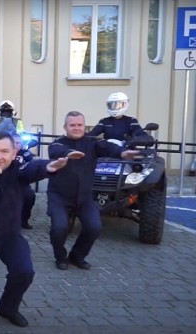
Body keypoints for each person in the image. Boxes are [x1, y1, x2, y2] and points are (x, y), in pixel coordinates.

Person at [0, 132, 70, 328]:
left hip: (8, 234)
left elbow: (32, 168)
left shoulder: (18, 169)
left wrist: (48, 167)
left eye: (4, 151)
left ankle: (8, 307)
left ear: (14, 151)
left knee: (24, 271)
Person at [48, 111, 140, 271]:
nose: (76, 128)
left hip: (84, 197)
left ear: (84, 126)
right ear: (65, 127)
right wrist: (68, 154)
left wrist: (122, 152)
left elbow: (107, 146)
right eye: (72, 125)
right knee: (59, 228)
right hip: (59, 196)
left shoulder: (92, 142)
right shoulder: (57, 143)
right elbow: (56, 150)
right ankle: (60, 257)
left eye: (79, 125)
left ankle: (77, 257)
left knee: (94, 227)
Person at [11, 132, 36, 230]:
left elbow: (32, 164)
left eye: (18, 143)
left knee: (30, 196)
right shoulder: (3, 152)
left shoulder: (25, 153)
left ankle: (24, 220)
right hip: (5, 182)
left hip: (22, 182)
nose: (16, 145)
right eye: (14, 142)